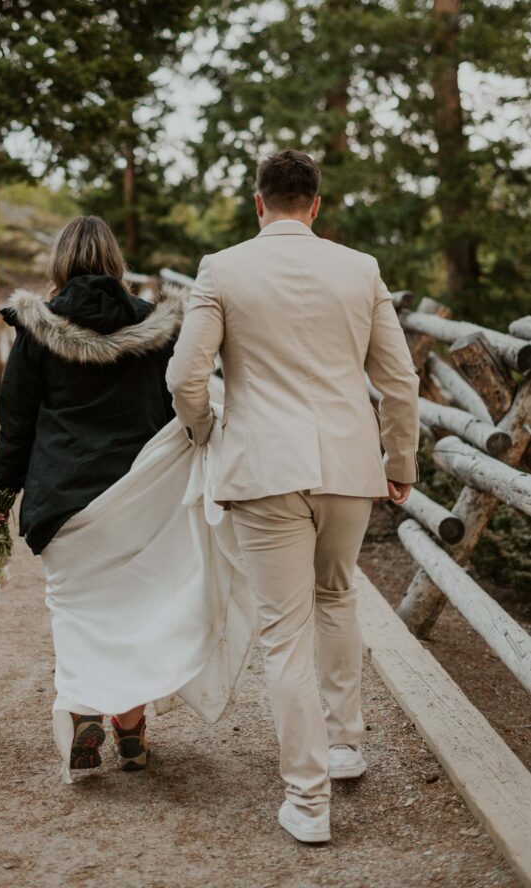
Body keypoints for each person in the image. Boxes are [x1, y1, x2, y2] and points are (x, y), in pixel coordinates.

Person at [166, 149, 420, 844]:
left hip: (263, 469)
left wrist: (206, 429)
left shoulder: (222, 269)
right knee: (336, 597)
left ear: (258, 202)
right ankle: (343, 744)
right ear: (314, 204)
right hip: (345, 466)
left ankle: (307, 803)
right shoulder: (359, 270)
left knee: (283, 631)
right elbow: (398, 382)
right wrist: (399, 461)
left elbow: (184, 374)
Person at [0, 215, 185, 774]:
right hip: (141, 497)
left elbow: (16, 424)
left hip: (63, 501)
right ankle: (132, 728)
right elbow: (177, 413)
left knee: (75, 613)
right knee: (136, 612)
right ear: (116, 262)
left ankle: (85, 710)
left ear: (61, 263)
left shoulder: (36, 329)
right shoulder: (158, 328)